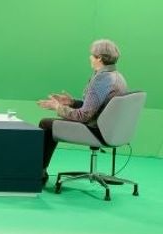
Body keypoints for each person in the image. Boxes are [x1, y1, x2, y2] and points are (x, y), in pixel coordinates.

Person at [37, 38, 128, 184]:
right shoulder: (117, 77)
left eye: (92, 55)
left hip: (96, 131)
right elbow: (98, 107)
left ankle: (38, 173)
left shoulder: (101, 80)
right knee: (50, 123)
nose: (90, 58)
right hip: (111, 131)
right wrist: (72, 102)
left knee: (45, 124)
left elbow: (84, 116)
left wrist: (58, 107)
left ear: (99, 58)